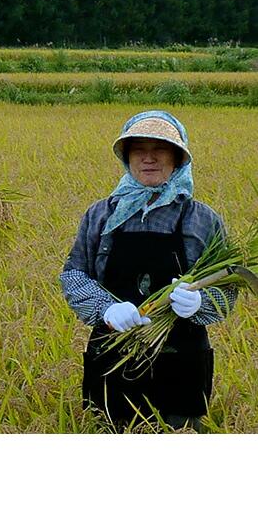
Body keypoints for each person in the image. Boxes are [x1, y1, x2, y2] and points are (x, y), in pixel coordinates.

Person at [60, 110, 237, 431]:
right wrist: (106, 309)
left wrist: (201, 303)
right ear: (127, 158)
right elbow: (74, 274)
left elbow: (229, 285)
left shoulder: (202, 219)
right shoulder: (101, 214)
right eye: (139, 149)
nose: (149, 158)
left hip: (181, 359)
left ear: (178, 158)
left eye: (160, 149)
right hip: (113, 355)